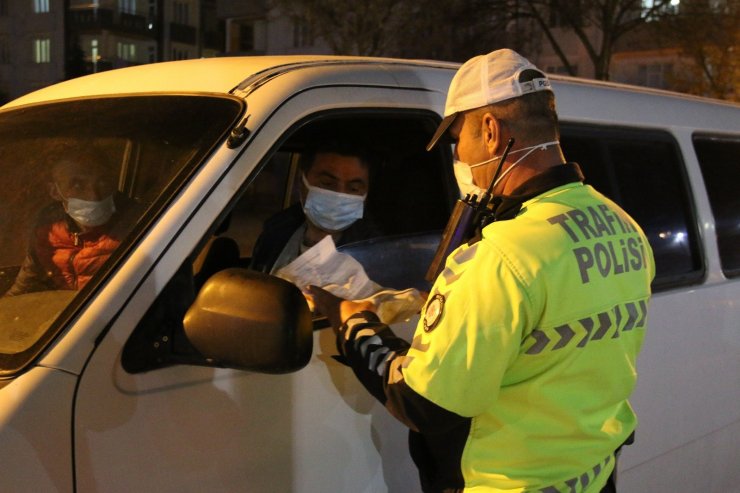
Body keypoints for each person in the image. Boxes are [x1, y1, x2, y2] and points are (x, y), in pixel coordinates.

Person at [309, 49, 656, 493]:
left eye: (458, 140)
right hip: (592, 477)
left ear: (490, 131)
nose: (459, 156)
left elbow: (422, 403)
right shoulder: (622, 225)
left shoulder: (502, 255)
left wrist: (352, 320)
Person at [6, 147, 131, 296]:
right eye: (78, 186)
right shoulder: (47, 230)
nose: (94, 196)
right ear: (55, 191)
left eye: (102, 182)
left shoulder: (140, 225)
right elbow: (25, 289)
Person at [250, 140, 381, 274]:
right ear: (301, 181)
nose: (339, 195)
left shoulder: (374, 253)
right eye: (327, 183)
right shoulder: (276, 232)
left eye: (354, 188)